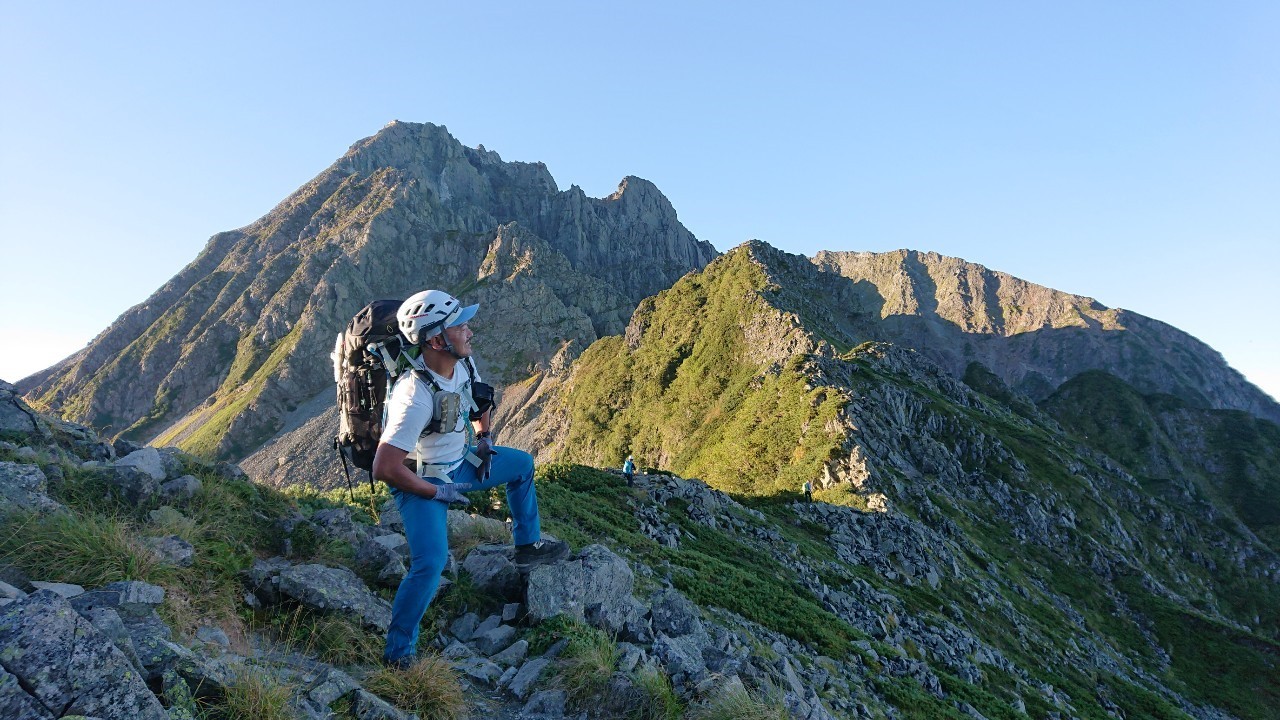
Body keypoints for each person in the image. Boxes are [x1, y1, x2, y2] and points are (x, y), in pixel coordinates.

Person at [372, 289, 568, 669]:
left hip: (460, 465)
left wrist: (484, 439)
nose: (469, 331)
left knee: (523, 465)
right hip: (421, 483)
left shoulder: (461, 364)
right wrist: (435, 491)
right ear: (435, 339)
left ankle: (527, 546)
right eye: (460, 325)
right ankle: (398, 655)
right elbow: (385, 468)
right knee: (430, 564)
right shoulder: (413, 396)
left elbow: (479, 400)